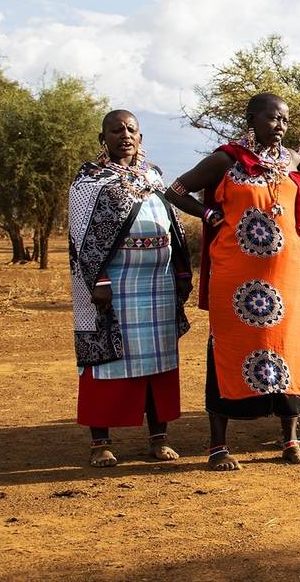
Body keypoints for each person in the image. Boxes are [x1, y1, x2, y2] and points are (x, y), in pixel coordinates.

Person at [165, 93, 300, 468]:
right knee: (228, 349)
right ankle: (218, 446)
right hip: (235, 277)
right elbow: (175, 190)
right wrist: (209, 214)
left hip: (287, 277)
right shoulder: (228, 158)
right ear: (252, 119)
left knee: (288, 348)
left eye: (286, 120)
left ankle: (290, 440)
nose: (281, 126)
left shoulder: (294, 161)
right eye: (273, 118)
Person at [71, 110, 193, 468]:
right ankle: (100, 443)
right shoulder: (89, 181)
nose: (124, 135)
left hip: (157, 285)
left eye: (131, 129)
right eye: (116, 130)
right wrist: (100, 280)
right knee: (105, 362)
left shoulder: (153, 175)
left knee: (159, 363)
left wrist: (179, 273)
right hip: (114, 286)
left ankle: (158, 438)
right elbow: (82, 237)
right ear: (102, 138)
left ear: (140, 137)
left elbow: (172, 223)